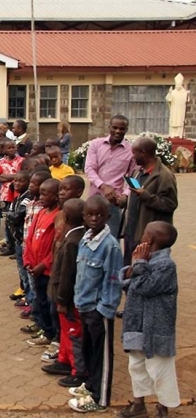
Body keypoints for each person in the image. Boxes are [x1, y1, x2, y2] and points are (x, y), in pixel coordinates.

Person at [119, 221, 180, 418]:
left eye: (144, 233)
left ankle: (163, 408)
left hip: (156, 329)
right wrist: (135, 265)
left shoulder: (166, 265)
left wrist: (138, 264)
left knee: (160, 370)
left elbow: (143, 286)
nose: (141, 236)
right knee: (136, 366)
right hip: (137, 323)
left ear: (149, 239)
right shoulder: (144, 258)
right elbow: (127, 280)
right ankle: (139, 405)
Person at [68, 195, 123, 413]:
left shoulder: (110, 247)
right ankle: (90, 385)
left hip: (99, 310)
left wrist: (105, 310)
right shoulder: (85, 238)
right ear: (83, 216)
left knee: (103, 356)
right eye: (90, 214)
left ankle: (101, 399)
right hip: (84, 305)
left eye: (100, 215)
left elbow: (112, 280)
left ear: (108, 217)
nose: (94, 218)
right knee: (89, 349)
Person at [44, 198, 87, 388]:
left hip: (66, 297)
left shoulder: (73, 241)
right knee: (65, 332)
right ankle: (64, 360)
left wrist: (62, 299)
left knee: (73, 333)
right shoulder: (71, 235)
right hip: (61, 293)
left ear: (66, 216)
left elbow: (68, 274)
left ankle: (78, 371)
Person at [122, 136, 178, 266]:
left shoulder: (164, 176)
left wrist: (146, 196)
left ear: (143, 153)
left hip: (148, 236)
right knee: (128, 270)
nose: (132, 157)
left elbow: (170, 205)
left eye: (134, 153)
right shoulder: (138, 172)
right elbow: (135, 197)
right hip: (132, 231)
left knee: (142, 271)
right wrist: (124, 200)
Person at [84, 115, 136, 237]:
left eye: (122, 129)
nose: (118, 131)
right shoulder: (95, 144)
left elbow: (134, 178)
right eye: (115, 127)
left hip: (113, 202)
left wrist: (125, 195)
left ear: (126, 130)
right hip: (94, 199)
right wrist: (103, 186)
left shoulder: (131, 151)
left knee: (111, 238)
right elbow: (89, 169)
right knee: (90, 236)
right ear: (109, 127)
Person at [24, 179, 61, 347]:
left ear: (56, 196)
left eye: (45, 194)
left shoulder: (59, 216)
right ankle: (46, 331)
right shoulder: (40, 213)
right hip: (34, 267)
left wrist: (43, 265)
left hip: (46, 270)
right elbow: (30, 238)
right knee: (41, 301)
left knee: (50, 304)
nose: (41, 197)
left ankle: (54, 334)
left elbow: (56, 247)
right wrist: (28, 261)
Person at [6, 171, 32, 306]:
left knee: (26, 271)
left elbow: (16, 216)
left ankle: (29, 298)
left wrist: (10, 215)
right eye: (15, 180)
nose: (17, 183)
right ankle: (25, 292)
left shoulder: (27, 198)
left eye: (21, 181)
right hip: (17, 239)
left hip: (23, 239)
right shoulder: (17, 198)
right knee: (21, 269)